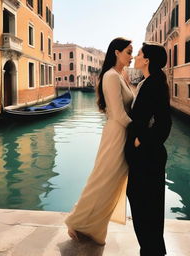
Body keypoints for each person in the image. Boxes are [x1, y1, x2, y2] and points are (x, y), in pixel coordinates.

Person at [65, 37, 134, 245]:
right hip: (117, 134)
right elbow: (119, 114)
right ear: (117, 52)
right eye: (129, 52)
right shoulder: (111, 76)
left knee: (109, 183)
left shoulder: (120, 75)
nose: (131, 56)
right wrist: (142, 132)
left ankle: (91, 225)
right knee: (103, 180)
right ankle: (78, 222)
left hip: (121, 133)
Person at [124, 42, 172, 256]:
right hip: (145, 155)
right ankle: (151, 249)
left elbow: (164, 123)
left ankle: (152, 251)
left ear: (148, 60)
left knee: (146, 205)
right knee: (141, 201)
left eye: (140, 54)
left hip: (148, 155)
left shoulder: (155, 84)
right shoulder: (148, 82)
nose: (135, 56)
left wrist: (140, 140)